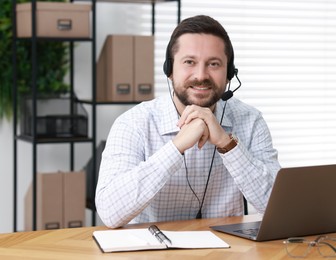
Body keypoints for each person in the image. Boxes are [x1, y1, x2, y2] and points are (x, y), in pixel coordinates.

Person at [95, 15, 281, 228]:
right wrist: (176, 147)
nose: (201, 75)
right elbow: (110, 213)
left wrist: (227, 144)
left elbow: (279, 208)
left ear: (229, 74)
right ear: (169, 70)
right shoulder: (133, 123)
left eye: (214, 64)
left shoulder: (250, 120)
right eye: (189, 62)